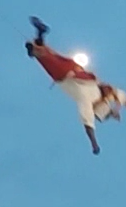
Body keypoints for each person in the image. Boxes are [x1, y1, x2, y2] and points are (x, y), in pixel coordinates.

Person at [25, 16, 104, 154]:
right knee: (44, 58)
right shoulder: (86, 103)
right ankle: (36, 46)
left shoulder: (98, 90)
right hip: (65, 77)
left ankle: (39, 38)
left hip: (72, 67)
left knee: (48, 55)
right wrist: (94, 144)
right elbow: (88, 126)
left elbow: (122, 98)